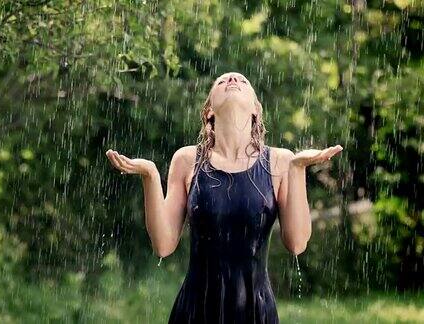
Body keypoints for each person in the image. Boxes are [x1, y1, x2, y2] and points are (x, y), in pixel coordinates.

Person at [105, 72, 343, 323]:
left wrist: (297, 169)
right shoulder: (187, 160)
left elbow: (296, 243)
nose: (232, 80)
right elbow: (163, 246)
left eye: (242, 81)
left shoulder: (281, 161)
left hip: (255, 311)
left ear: (255, 110)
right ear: (209, 111)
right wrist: (150, 175)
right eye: (222, 81)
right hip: (196, 310)